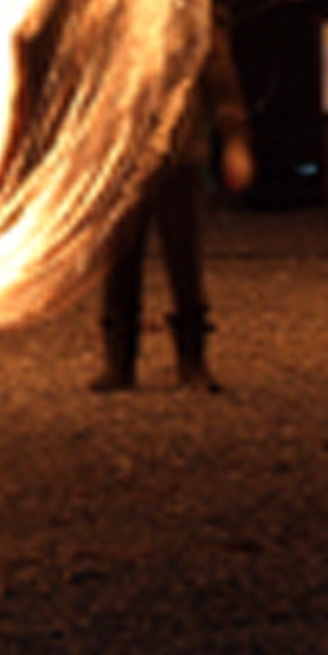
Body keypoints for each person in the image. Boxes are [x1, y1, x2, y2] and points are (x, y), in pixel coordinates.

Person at [91, 21, 253, 394]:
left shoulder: (198, 22)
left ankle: (192, 362)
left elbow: (225, 93)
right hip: (121, 162)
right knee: (119, 262)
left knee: (184, 262)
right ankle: (119, 361)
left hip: (180, 160)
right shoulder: (114, 15)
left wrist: (236, 142)